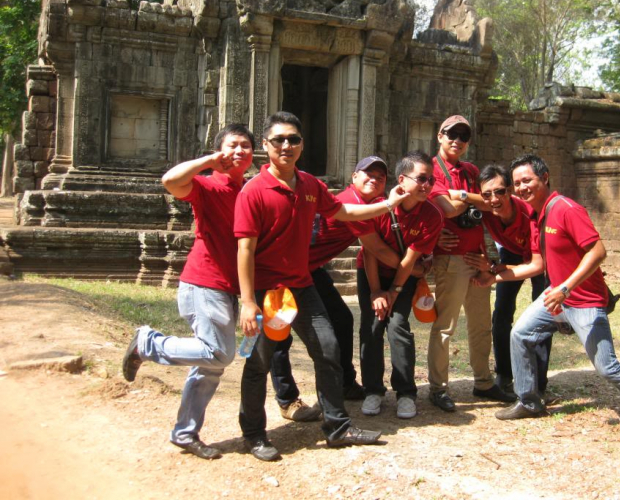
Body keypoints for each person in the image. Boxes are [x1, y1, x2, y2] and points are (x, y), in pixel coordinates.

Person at [234, 111, 409, 462]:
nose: (287, 145)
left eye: (294, 139)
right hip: (269, 293)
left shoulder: (310, 186)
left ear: (301, 145)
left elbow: (344, 212)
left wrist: (387, 203)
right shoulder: (253, 192)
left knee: (328, 349)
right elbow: (245, 249)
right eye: (279, 140)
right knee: (258, 362)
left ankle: (337, 427)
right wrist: (247, 301)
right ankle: (254, 434)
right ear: (265, 146)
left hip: (302, 285)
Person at [475, 154, 620, 435]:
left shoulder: (566, 209)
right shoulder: (537, 216)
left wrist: (565, 287)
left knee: (607, 367)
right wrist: (495, 277)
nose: (522, 187)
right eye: (518, 183)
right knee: (520, 334)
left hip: (584, 300)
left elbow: (598, 252)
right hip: (556, 294)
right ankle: (529, 401)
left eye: (528, 180)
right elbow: (537, 265)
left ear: (544, 178)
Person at [121, 123, 255, 460]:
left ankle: (185, 432)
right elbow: (170, 181)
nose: (239, 151)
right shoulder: (208, 185)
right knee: (219, 354)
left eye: (246, 146)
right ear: (220, 150)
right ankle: (147, 343)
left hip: (227, 287)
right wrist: (209, 161)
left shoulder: (248, 191)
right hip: (203, 281)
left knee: (210, 367)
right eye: (232, 145)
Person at [269, 156, 424, 422]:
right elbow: (375, 248)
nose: (373, 180)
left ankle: (346, 383)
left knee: (342, 319)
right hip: (282, 271)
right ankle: (287, 398)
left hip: (310, 269)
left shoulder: (371, 205)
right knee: (278, 333)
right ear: (353, 177)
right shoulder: (351, 202)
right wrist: (415, 269)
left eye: (380, 177)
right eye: (368, 174)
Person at [425, 115, 508, 412]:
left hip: (477, 257)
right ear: (439, 135)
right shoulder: (430, 170)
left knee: (481, 324)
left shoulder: (471, 170)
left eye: (463, 136)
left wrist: (461, 195)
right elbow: (445, 210)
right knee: (445, 326)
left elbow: (492, 202)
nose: (457, 140)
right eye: (451, 134)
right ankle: (438, 388)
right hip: (450, 258)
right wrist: (471, 200)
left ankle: (483, 382)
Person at [359, 151, 443, 419]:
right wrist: (375, 291)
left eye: (430, 180)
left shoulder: (431, 215)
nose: (427, 185)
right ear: (402, 180)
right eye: (421, 179)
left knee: (398, 326)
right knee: (372, 325)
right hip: (370, 272)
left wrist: (393, 291)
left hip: (403, 278)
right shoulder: (378, 206)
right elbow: (370, 251)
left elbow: (410, 261)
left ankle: (406, 393)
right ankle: (372, 390)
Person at [463, 164, 552, 402]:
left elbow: (536, 265)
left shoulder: (529, 215)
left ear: (510, 191)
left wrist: (493, 272)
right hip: (513, 255)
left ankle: (538, 383)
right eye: (487, 194)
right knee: (501, 313)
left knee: (541, 318)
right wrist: (491, 262)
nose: (494, 199)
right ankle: (503, 373)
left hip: (541, 258)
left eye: (500, 192)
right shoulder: (486, 209)